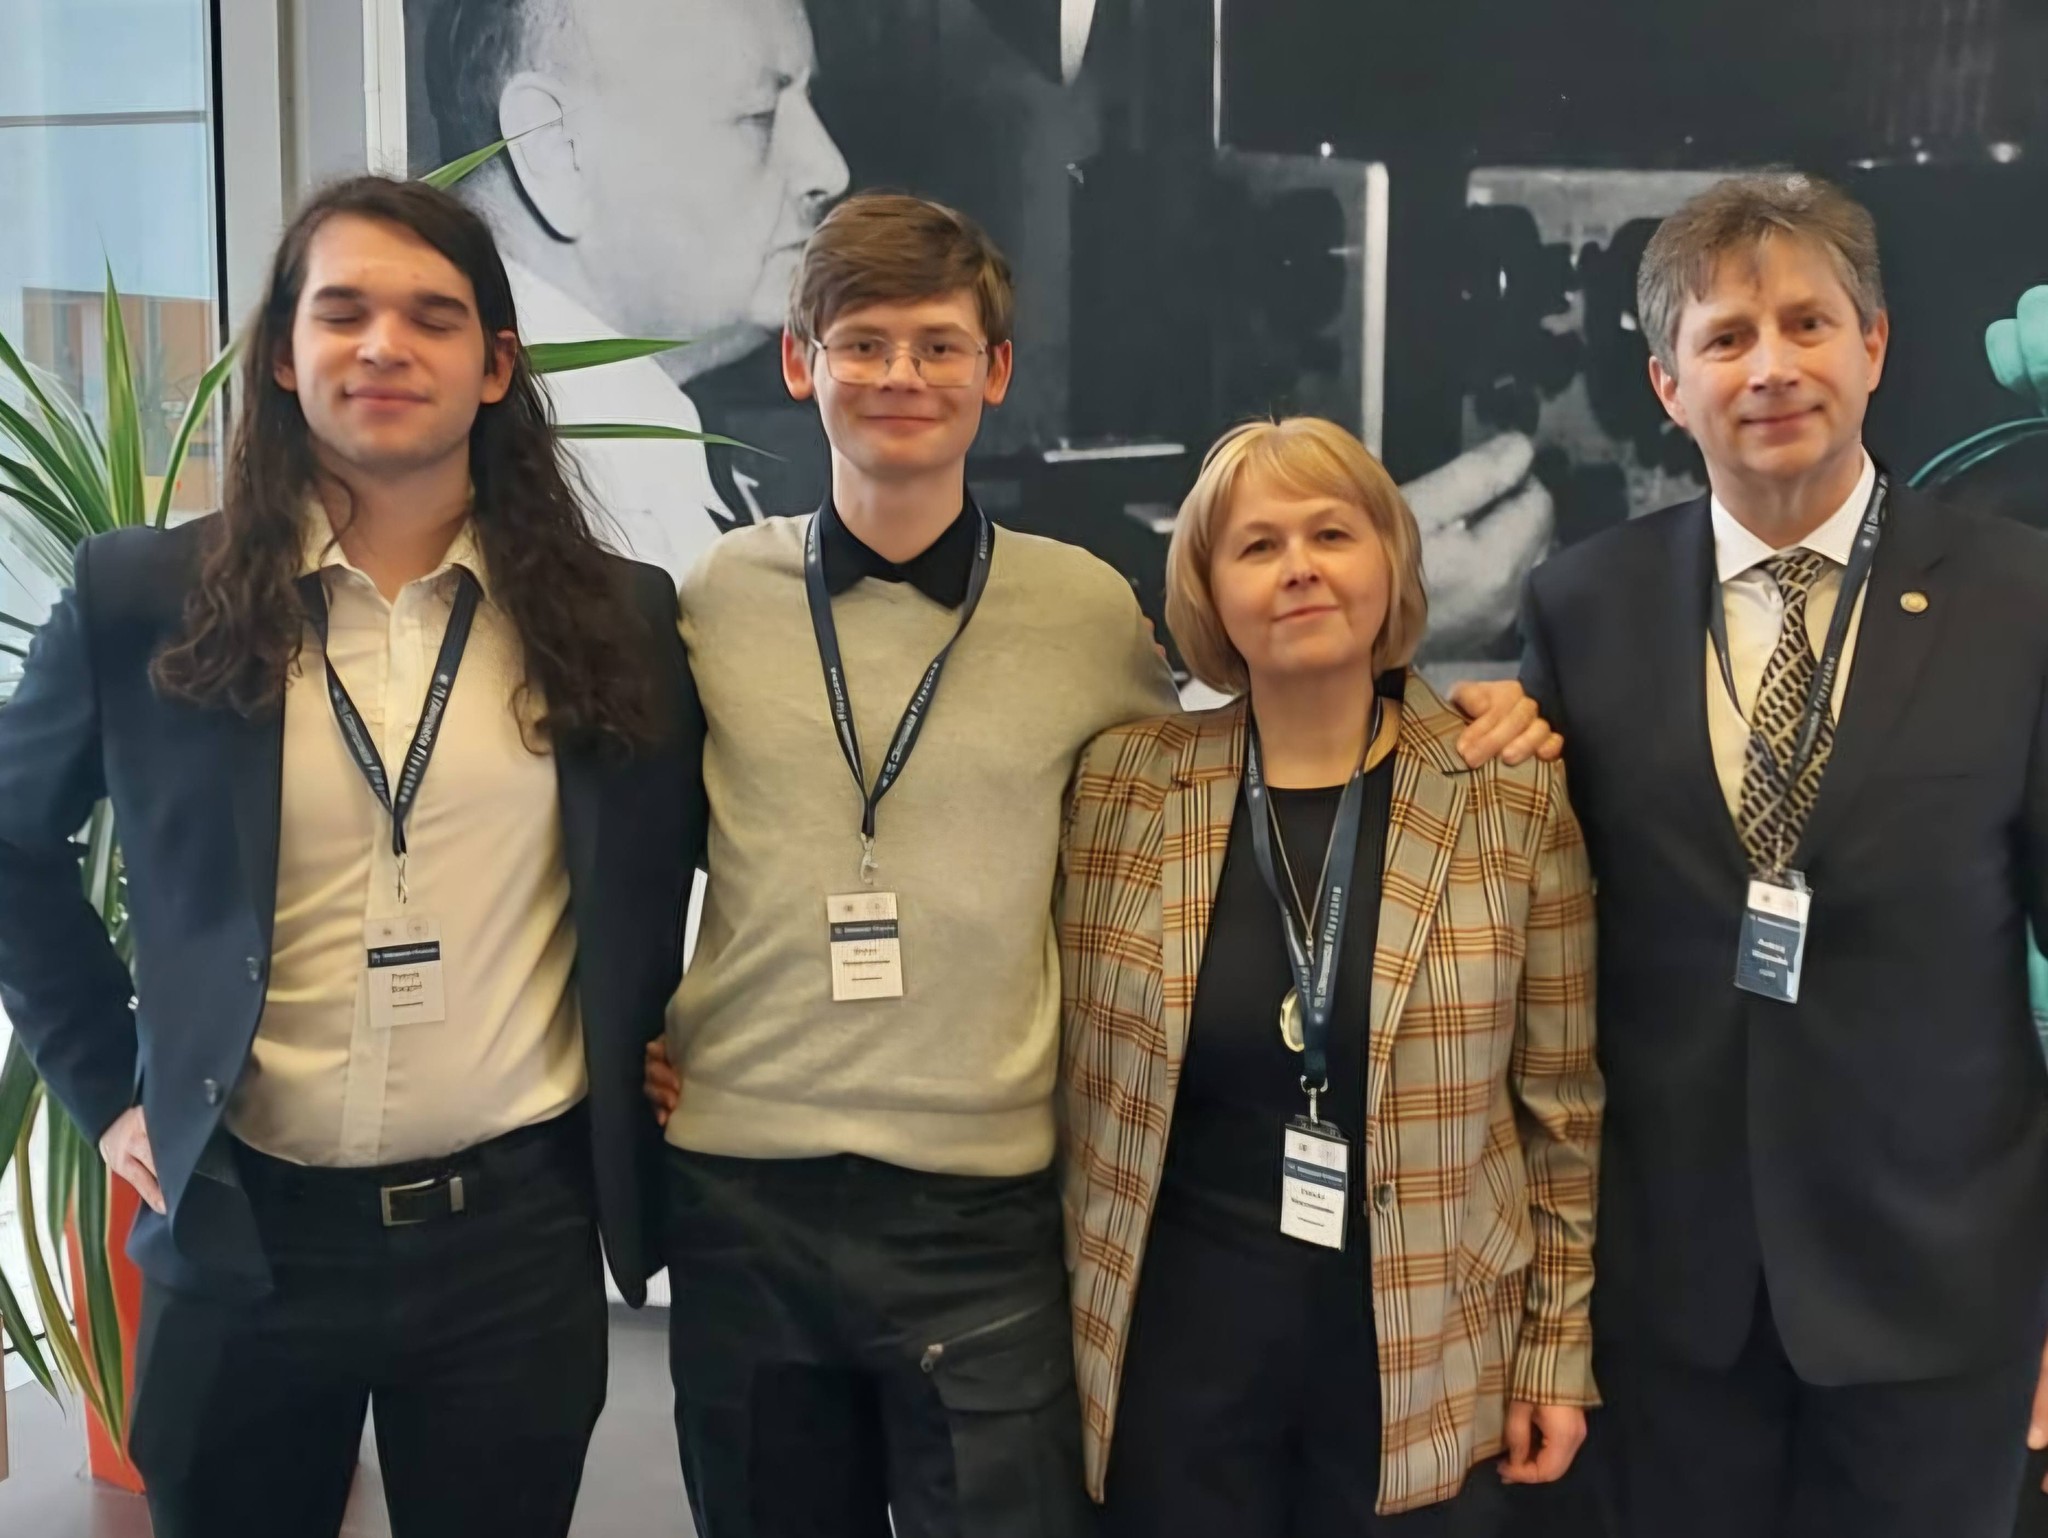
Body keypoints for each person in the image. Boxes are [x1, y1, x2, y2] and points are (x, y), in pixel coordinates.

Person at [639, 192, 1558, 1536]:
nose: (902, 375)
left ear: (996, 370)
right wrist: (651, 1029)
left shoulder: (1083, 611)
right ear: (799, 363)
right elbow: (619, 841)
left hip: (986, 1209)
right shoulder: (713, 597)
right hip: (744, 1193)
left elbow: (1247, 741)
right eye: (864, 343)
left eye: (940, 345)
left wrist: (1473, 708)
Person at [0, 176, 706, 1538]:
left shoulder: (616, 618)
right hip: (243, 1234)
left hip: (513, 1242)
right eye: (343, 313)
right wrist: (109, 1088)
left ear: (495, 365)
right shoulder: (144, 598)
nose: (385, 345)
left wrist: (686, 1030)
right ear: (283, 353)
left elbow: (700, 849)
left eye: (433, 317)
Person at [1507, 171, 2048, 1537]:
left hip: (1943, 1290)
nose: (1771, 368)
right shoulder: (1582, 608)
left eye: (1808, 323)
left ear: (1874, 344)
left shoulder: (2022, 600)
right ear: (1666, 384)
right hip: (1672, 1301)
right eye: (1726, 337)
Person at [1057, 416, 1601, 1535]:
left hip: (1423, 1359)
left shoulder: (1507, 791)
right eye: (1257, 546)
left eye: (1331, 534)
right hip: (1177, 1365)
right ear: (1208, 592)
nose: (1298, 567)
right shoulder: (1119, 786)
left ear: (1390, 560)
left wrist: (1555, 1345)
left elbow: (1563, 1107)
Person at [422, 0, 852, 573]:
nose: (829, 169)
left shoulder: (603, 459)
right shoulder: (483, 497)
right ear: (556, 149)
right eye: (758, 113)